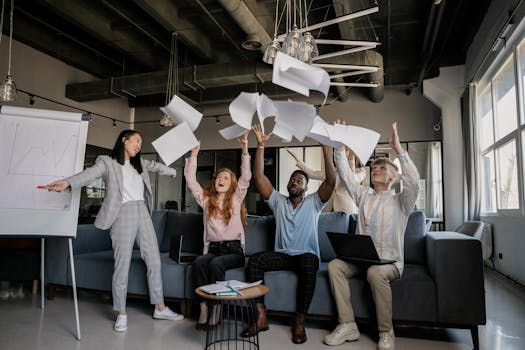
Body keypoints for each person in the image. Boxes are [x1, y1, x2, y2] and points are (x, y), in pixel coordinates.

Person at [46, 129, 184, 332]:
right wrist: (67, 182)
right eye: (136, 140)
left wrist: (174, 171)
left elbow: (156, 166)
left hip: (143, 213)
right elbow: (88, 175)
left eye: (141, 142)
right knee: (123, 263)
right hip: (122, 214)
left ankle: (160, 307)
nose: (139, 145)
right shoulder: (107, 162)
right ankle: (121, 312)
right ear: (123, 140)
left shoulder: (140, 164)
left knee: (154, 260)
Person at [324, 122, 420, 350]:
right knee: (335, 265)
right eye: (374, 167)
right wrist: (338, 145)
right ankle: (347, 325)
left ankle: (386, 332)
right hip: (361, 261)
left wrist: (399, 150)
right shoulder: (363, 195)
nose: (375, 169)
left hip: (389, 264)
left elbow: (414, 182)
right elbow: (346, 176)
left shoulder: (402, 201)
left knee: (376, 272)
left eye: (383, 168)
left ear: (394, 177)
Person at [240, 124, 336, 344]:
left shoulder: (314, 203)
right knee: (255, 261)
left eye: (299, 181)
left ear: (306, 188)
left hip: (305, 256)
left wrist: (325, 148)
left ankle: (299, 321)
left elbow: (331, 182)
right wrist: (261, 145)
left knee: (310, 263)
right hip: (282, 255)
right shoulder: (278, 201)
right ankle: (261, 316)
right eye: (292, 180)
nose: (294, 182)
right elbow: (259, 178)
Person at [184, 131, 251, 330]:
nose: (221, 179)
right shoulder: (206, 201)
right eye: (219, 177)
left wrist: (245, 149)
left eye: (226, 178)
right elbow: (191, 181)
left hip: (233, 251)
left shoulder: (236, 198)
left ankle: (217, 309)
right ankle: (203, 307)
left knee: (216, 265)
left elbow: (246, 176)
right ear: (215, 182)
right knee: (198, 263)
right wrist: (194, 154)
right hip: (213, 248)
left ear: (231, 185)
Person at [286, 146, 367, 214]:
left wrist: (351, 160)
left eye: (346, 150)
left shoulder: (361, 171)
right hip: (329, 210)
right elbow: (312, 174)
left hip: (346, 211)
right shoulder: (334, 170)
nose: (342, 152)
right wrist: (297, 158)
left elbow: (349, 181)